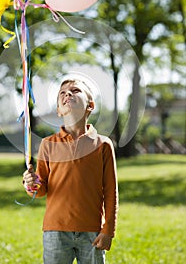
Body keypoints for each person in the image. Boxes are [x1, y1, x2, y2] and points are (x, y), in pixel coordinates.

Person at [23, 79, 118, 264]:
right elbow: (41, 190)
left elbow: (111, 191)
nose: (68, 94)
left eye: (75, 91)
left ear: (90, 106)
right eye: (62, 93)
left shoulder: (103, 145)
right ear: (59, 110)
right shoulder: (48, 144)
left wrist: (108, 231)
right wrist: (31, 183)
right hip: (55, 230)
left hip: (92, 231)